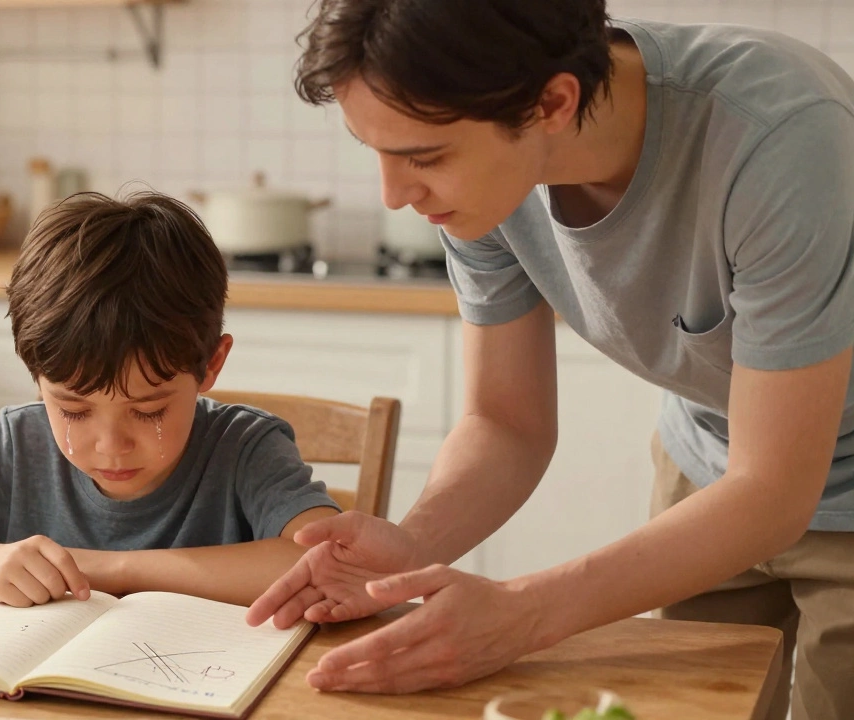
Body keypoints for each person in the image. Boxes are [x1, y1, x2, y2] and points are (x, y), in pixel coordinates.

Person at [245, 3, 854, 719]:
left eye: (425, 157)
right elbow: (506, 422)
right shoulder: (486, 177)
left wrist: (524, 613)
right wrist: (413, 544)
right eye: (374, 150)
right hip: (708, 462)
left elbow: (773, 489)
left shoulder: (779, 137)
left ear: (553, 103)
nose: (395, 195)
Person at [0, 191, 339, 608]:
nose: (110, 446)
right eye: (73, 409)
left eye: (148, 410)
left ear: (211, 365)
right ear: (36, 378)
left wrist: (111, 568)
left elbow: (330, 560)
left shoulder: (246, 448)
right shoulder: (18, 445)